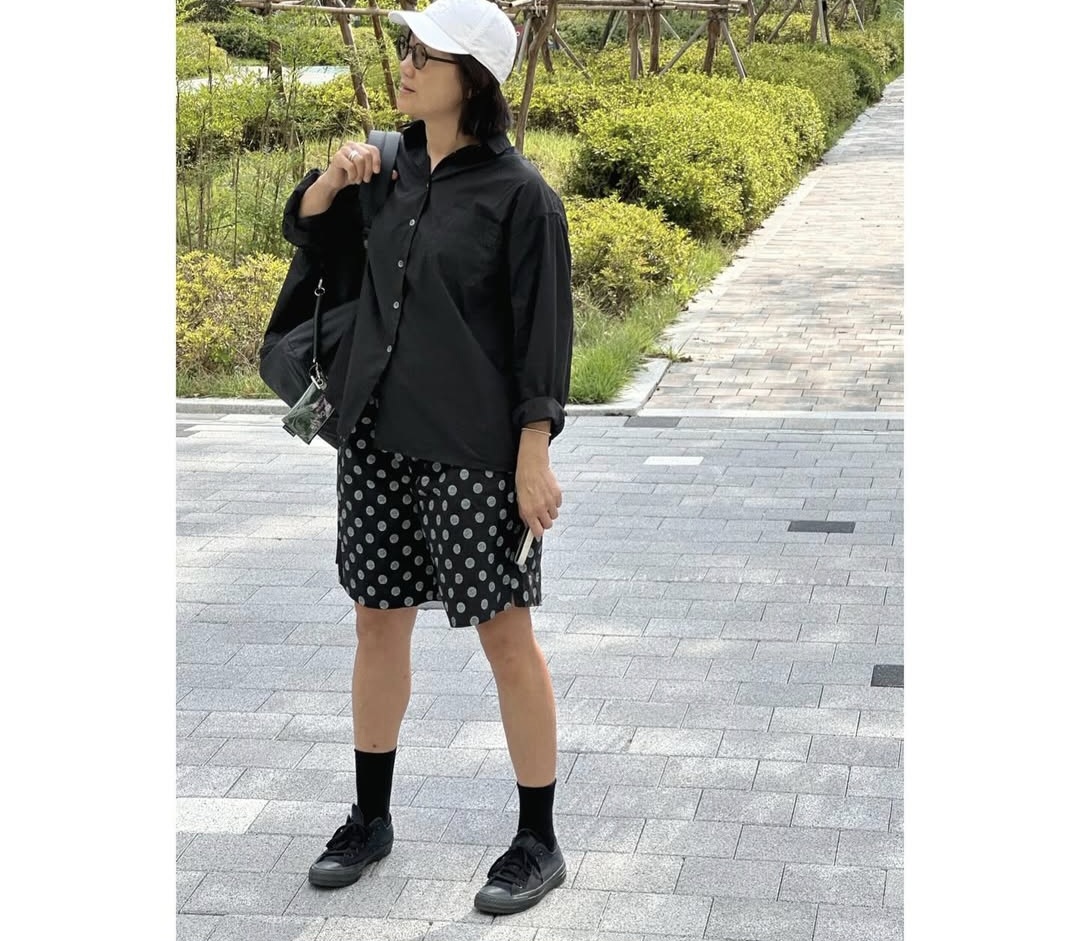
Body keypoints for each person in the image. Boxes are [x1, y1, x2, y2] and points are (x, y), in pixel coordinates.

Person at [278, 0, 574, 916]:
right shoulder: (385, 166)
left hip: (473, 453)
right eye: (407, 48)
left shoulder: (523, 198)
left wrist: (533, 454)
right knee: (377, 623)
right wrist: (331, 181)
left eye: (424, 54)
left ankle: (538, 839)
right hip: (375, 439)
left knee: (506, 637)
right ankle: (370, 819)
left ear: (470, 80)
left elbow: (543, 339)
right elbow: (308, 233)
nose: (405, 64)